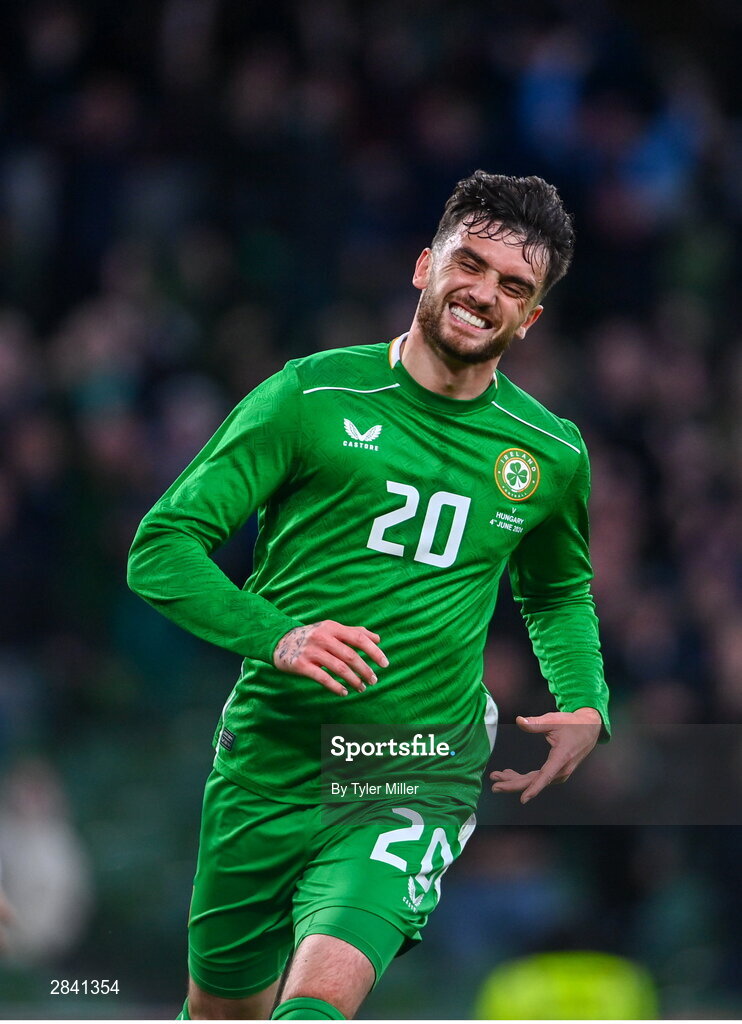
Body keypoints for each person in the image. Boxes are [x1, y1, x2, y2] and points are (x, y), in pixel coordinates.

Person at [127, 170, 609, 1021]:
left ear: (530, 318)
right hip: (271, 757)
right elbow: (162, 547)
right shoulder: (308, 397)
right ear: (425, 266)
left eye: (513, 286)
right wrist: (277, 635)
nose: (483, 294)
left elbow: (558, 589)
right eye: (471, 264)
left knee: (315, 1003)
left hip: (414, 765)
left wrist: (585, 700)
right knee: (219, 1013)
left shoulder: (549, 455)